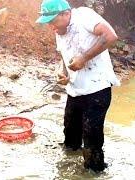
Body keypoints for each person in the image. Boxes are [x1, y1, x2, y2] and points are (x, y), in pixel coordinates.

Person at [36, 0, 120, 172]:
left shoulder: (84, 16)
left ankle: (94, 173)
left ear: (66, 14)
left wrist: (84, 58)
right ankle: (67, 170)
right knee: (70, 139)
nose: (51, 26)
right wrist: (64, 74)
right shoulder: (60, 30)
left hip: (97, 90)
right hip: (75, 91)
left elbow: (111, 36)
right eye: (48, 22)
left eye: (53, 21)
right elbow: (64, 56)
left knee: (91, 141)